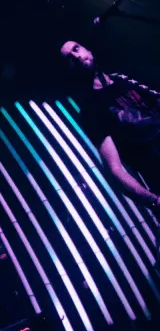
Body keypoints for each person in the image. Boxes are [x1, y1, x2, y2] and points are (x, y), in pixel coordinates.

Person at [60, 40, 160, 211]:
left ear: (88, 50)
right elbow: (114, 169)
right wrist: (154, 200)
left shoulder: (127, 78)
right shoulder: (91, 110)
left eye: (76, 49)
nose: (75, 56)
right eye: (69, 58)